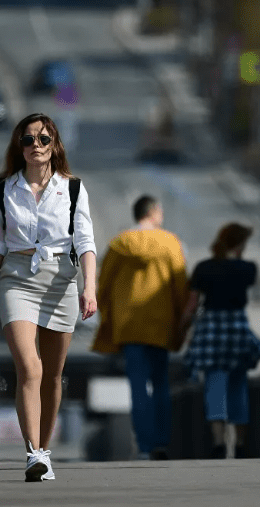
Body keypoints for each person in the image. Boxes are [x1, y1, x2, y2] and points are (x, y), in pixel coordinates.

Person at [0, 113, 98, 482]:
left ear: (55, 145)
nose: (35, 146)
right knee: (30, 368)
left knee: (53, 376)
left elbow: (85, 241)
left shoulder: (73, 189)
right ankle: (33, 454)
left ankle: (44, 449)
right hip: (17, 280)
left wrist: (89, 287)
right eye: (28, 140)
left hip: (61, 281)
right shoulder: (3, 188)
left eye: (43, 139)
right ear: (19, 146)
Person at [91, 195, 189, 460]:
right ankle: (161, 442)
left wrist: (108, 316)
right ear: (154, 212)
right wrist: (183, 320)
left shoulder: (119, 244)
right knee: (161, 384)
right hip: (161, 324)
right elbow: (180, 285)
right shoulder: (170, 243)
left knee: (137, 386)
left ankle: (144, 446)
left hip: (129, 326)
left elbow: (103, 285)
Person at [180, 222, 260, 459]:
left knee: (214, 385)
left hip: (211, 330)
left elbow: (192, 304)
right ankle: (240, 444)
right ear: (239, 245)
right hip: (237, 329)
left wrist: (182, 328)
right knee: (239, 385)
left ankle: (219, 442)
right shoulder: (248, 269)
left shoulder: (204, 268)